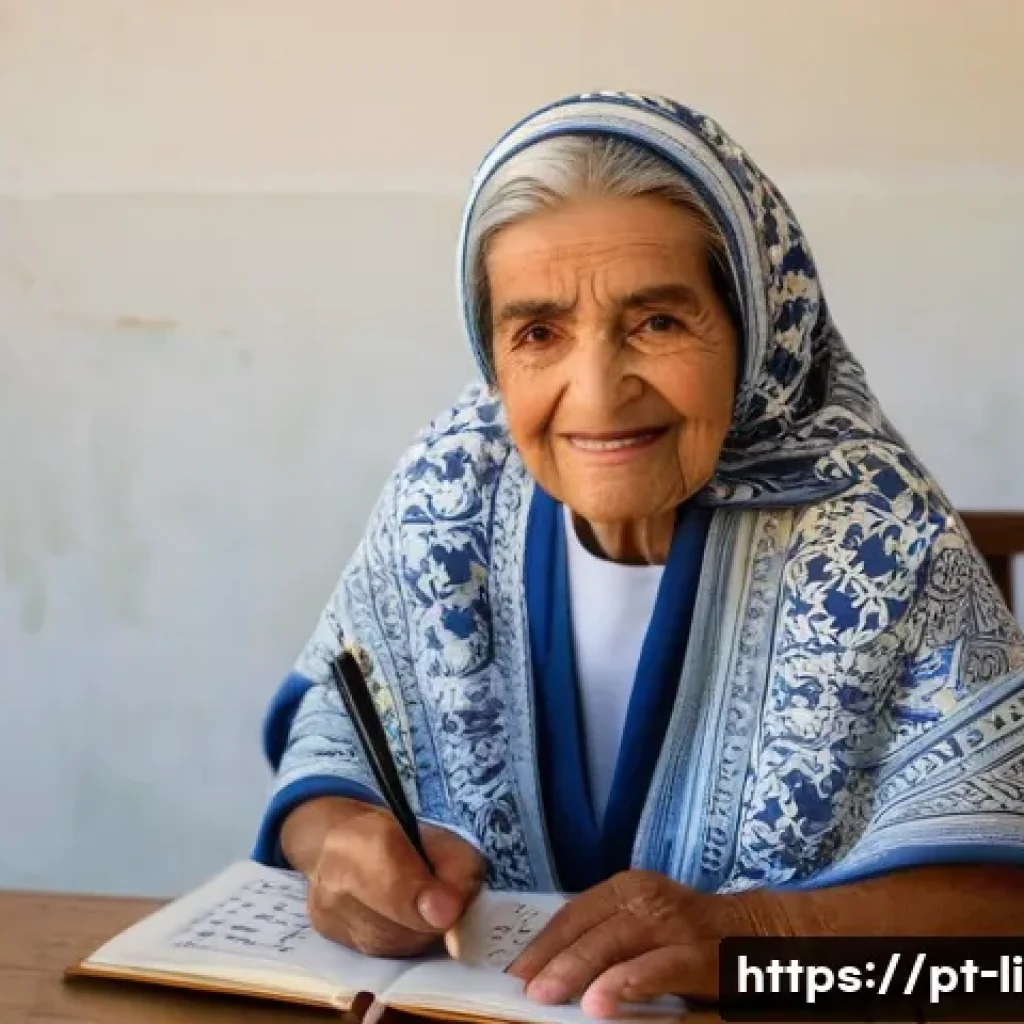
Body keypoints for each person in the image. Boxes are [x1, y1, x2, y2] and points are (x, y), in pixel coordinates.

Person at [252, 92, 1024, 1013]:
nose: (597, 392)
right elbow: (333, 742)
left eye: (657, 322)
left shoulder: (880, 533)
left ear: (753, 330)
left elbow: (998, 936)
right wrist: (339, 840)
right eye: (537, 333)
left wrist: (759, 940)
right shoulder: (447, 491)